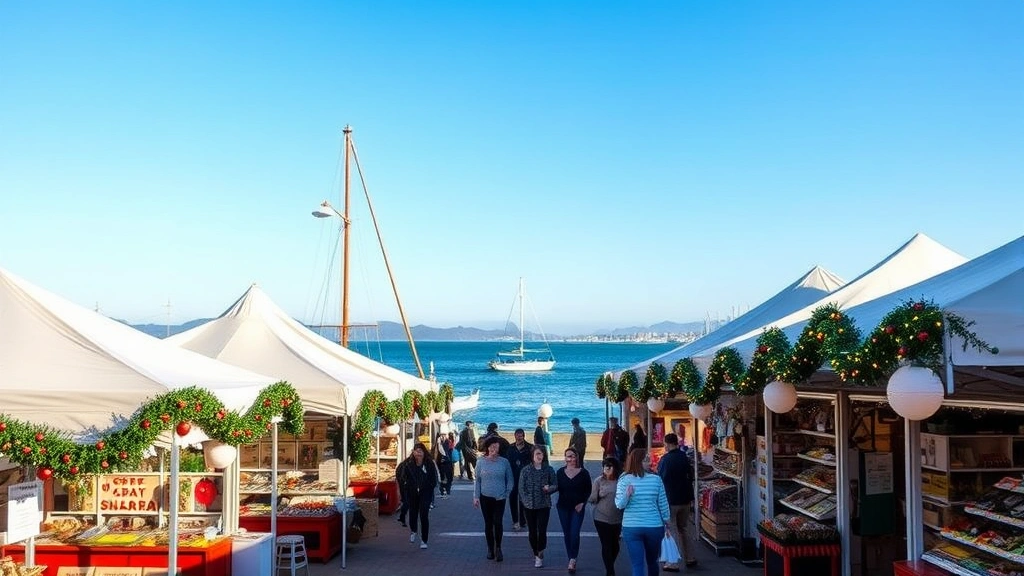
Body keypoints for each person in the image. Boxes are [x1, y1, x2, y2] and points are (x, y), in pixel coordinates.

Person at [615, 448, 671, 576]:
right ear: (638, 462)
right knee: (652, 562)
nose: (650, 462)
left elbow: (619, 505)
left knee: (637, 564)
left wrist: (626, 495)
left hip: (631, 527)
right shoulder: (656, 479)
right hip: (654, 526)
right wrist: (667, 521)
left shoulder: (624, 479)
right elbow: (663, 504)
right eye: (646, 460)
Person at [657, 433, 697, 571]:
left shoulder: (666, 460)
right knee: (684, 528)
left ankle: (672, 562)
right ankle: (690, 557)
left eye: (665, 444)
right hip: (685, 498)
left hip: (671, 499)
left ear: (668, 444)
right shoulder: (684, 457)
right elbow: (690, 475)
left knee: (670, 530)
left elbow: (660, 479)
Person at [473, 436, 514, 562]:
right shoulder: (480, 462)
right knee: (488, 523)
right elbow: (477, 481)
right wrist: (476, 496)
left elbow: (510, 479)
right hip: (485, 497)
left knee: (498, 522)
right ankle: (490, 548)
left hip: (499, 498)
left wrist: (507, 493)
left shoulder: (504, 462)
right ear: (487, 448)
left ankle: (498, 547)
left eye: (496, 447)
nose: (493, 449)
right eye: (491, 447)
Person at [519, 445, 556, 568]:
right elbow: (521, 488)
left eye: (541, 454)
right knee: (532, 531)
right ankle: (535, 552)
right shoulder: (525, 470)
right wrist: (526, 501)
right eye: (537, 454)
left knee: (542, 530)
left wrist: (549, 489)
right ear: (532, 456)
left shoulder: (549, 469)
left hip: (544, 505)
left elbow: (555, 484)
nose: (539, 456)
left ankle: (541, 552)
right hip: (529, 506)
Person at [555, 446, 592, 574]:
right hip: (563, 507)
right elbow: (556, 487)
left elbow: (588, 490)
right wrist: (547, 490)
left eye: (573, 456)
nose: (571, 459)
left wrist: (583, 503)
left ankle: (573, 559)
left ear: (577, 457)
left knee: (574, 534)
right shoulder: (560, 472)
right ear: (565, 458)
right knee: (567, 534)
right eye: (568, 456)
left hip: (577, 508)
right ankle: (570, 557)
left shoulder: (584, 473)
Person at [398, 442, 438, 549]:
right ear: (413, 452)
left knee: (424, 514)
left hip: (426, 492)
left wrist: (429, 487)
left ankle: (424, 540)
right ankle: (413, 530)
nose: (418, 453)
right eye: (417, 451)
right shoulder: (408, 463)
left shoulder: (429, 463)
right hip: (412, 492)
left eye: (421, 451)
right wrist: (407, 486)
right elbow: (402, 476)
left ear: (424, 452)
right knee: (413, 512)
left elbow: (434, 478)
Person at [589, 456, 624, 576]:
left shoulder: (621, 481)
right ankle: (610, 571)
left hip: (617, 518)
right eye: (605, 466)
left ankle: (610, 565)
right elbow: (592, 499)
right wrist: (599, 495)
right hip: (601, 517)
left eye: (610, 466)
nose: (607, 468)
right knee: (606, 544)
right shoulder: (598, 481)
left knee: (615, 546)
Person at [505, 428, 534, 530]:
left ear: (524, 436)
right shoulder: (510, 448)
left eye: (521, 435)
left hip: (525, 478)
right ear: (514, 436)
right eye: (517, 435)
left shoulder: (530, 448)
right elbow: (507, 463)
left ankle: (523, 520)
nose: (519, 437)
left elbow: (533, 462)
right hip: (513, 477)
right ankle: (515, 521)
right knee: (512, 499)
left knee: (523, 500)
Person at [434, 433, 455, 498]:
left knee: (449, 476)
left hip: (448, 461)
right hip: (441, 462)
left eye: (444, 435)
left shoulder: (448, 441)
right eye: (441, 435)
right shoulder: (438, 443)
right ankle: (443, 490)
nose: (443, 436)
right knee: (442, 476)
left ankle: (447, 489)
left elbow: (450, 450)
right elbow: (437, 453)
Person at [394, 456, 410, 527]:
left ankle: (402, 517)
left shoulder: (403, 463)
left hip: (403, 485)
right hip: (407, 485)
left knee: (405, 501)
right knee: (407, 502)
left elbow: (397, 473)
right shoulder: (410, 465)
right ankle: (402, 518)